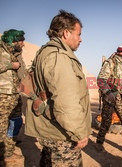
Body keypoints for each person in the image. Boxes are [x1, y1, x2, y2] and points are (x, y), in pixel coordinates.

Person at [24, 10, 91, 166]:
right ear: (66, 33)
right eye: (78, 34)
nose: (80, 39)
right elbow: (66, 101)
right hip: (62, 135)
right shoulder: (58, 57)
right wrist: (79, 132)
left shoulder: (46, 52)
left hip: (52, 130)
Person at [0, 29, 26, 165]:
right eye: (21, 41)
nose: (23, 44)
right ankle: (5, 154)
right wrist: (10, 65)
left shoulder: (17, 53)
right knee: (2, 124)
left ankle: (9, 146)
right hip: (3, 94)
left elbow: (23, 72)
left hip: (15, 94)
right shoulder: (1, 50)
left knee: (16, 121)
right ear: (13, 40)